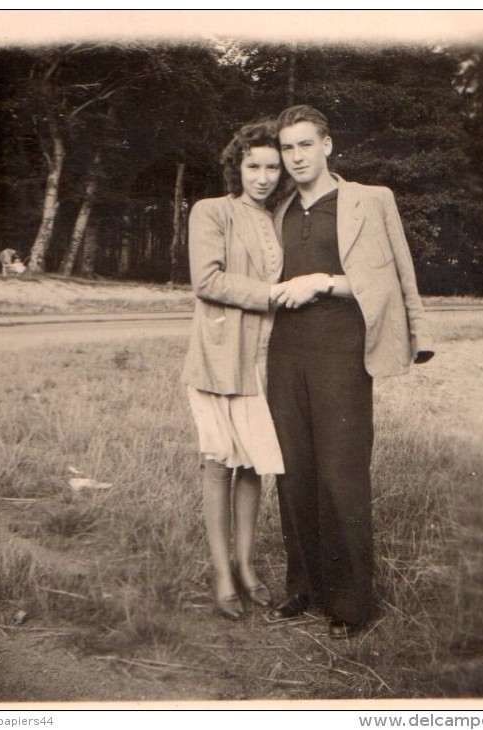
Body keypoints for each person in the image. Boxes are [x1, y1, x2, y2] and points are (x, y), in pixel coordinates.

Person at [266, 105, 434, 637]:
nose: (295, 157)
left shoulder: (371, 199)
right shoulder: (278, 208)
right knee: (292, 470)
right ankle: (303, 588)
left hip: (344, 351)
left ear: (327, 145)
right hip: (285, 352)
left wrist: (324, 281)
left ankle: (349, 604)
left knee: (341, 475)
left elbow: (397, 273)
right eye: (287, 147)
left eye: (304, 145)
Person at [181, 119, 289, 620]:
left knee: (254, 463)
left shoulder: (280, 217)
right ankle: (222, 573)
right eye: (254, 166)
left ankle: (246, 566)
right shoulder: (213, 211)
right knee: (221, 461)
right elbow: (207, 280)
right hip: (221, 356)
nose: (264, 176)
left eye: (272, 166)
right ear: (236, 167)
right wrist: (270, 294)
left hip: (264, 358)